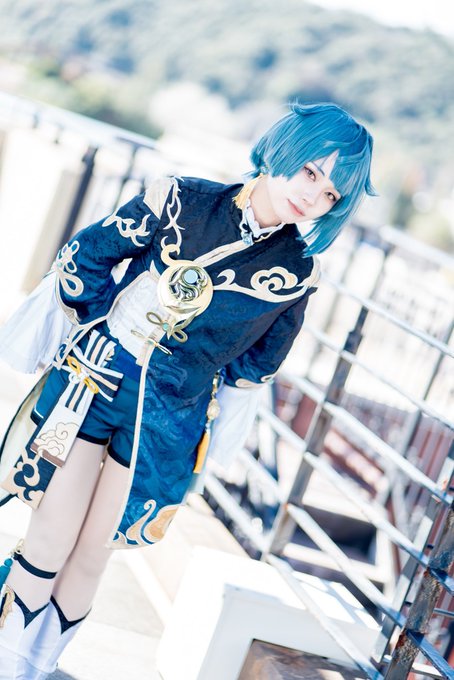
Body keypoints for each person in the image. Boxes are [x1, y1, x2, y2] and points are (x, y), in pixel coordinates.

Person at [0, 101, 375, 678]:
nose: (312, 195)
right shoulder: (181, 198)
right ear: (283, 149)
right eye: (310, 171)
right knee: (50, 537)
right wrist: (98, 328)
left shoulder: (297, 274)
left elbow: (257, 365)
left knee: (93, 556)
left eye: (330, 193)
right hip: (90, 383)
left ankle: (32, 667)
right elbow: (88, 254)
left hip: (167, 422)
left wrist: (197, 385)